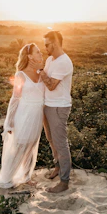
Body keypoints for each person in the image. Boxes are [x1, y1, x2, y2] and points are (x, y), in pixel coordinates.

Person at [30, 30, 73, 193]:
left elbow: (51, 84)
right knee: (51, 139)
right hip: (48, 104)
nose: (45, 47)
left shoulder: (64, 62)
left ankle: (64, 181)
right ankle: (57, 167)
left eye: (47, 44)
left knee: (61, 143)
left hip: (58, 106)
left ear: (54, 44)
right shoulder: (50, 59)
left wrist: (40, 71)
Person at [0, 43, 44, 189]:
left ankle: (26, 176)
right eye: (38, 52)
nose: (41, 54)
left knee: (31, 145)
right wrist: (9, 122)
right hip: (24, 114)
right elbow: (15, 98)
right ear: (29, 56)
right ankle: (7, 178)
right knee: (20, 145)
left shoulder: (41, 72)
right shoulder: (20, 74)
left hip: (37, 115)